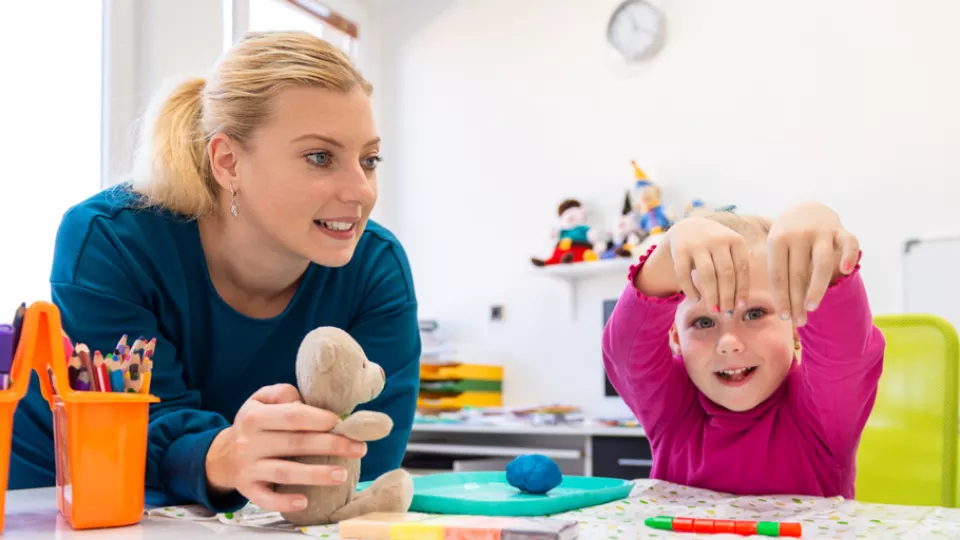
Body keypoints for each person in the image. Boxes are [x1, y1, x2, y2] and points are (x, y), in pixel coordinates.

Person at [10, 31, 421, 515]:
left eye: (368, 160)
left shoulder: (377, 269)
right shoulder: (111, 241)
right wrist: (222, 454)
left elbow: (360, 461)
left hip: (234, 516)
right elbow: (132, 428)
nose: (361, 191)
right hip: (56, 498)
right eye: (320, 157)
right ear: (228, 161)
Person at [602, 202, 884, 498]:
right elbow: (625, 354)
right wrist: (666, 254)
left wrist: (822, 253)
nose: (728, 343)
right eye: (703, 321)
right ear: (675, 337)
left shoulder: (822, 416)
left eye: (754, 314)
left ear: (796, 328)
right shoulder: (673, 411)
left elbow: (844, 352)